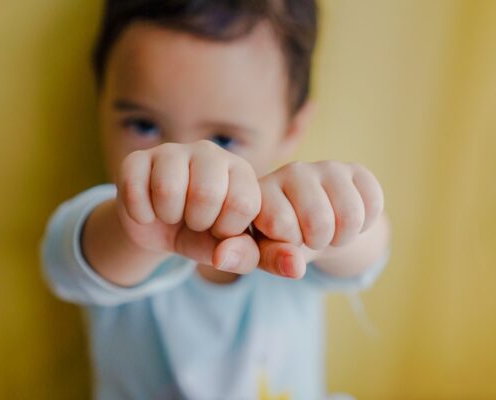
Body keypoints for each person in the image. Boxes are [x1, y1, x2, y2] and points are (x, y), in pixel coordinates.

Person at [40, 1, 392, 398]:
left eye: (223, 139)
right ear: (100, 100)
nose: (187, 164)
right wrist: (137, 227)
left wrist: (332, 216)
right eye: (143, 124)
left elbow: (370, 250)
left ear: (292, 129)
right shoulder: (112, 220)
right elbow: (66, 264)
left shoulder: (292, 221)